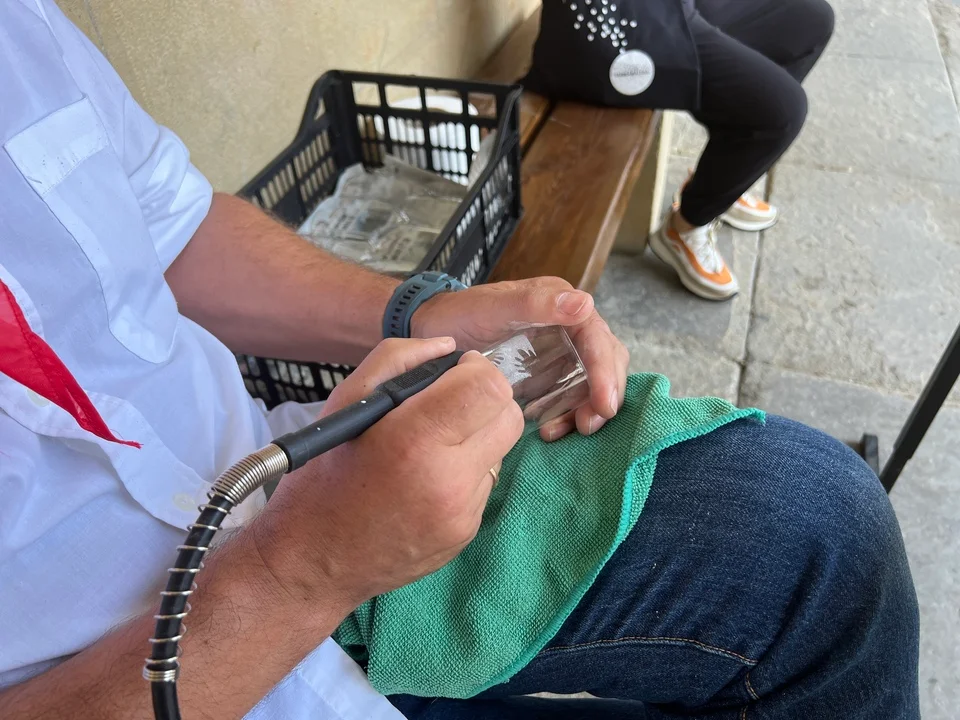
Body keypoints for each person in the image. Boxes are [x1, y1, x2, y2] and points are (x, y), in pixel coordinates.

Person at [0, 1, 918, 719]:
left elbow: (174, 224)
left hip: (289, 478)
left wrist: (419, 311)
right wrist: (302, 572)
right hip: (184, 660)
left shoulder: (23, 28)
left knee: (818, 533)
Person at [651, 0, 835, 301]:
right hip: (632, 22)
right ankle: (684, 227)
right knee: (780, 112)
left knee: (809, 20)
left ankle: (720, 182)